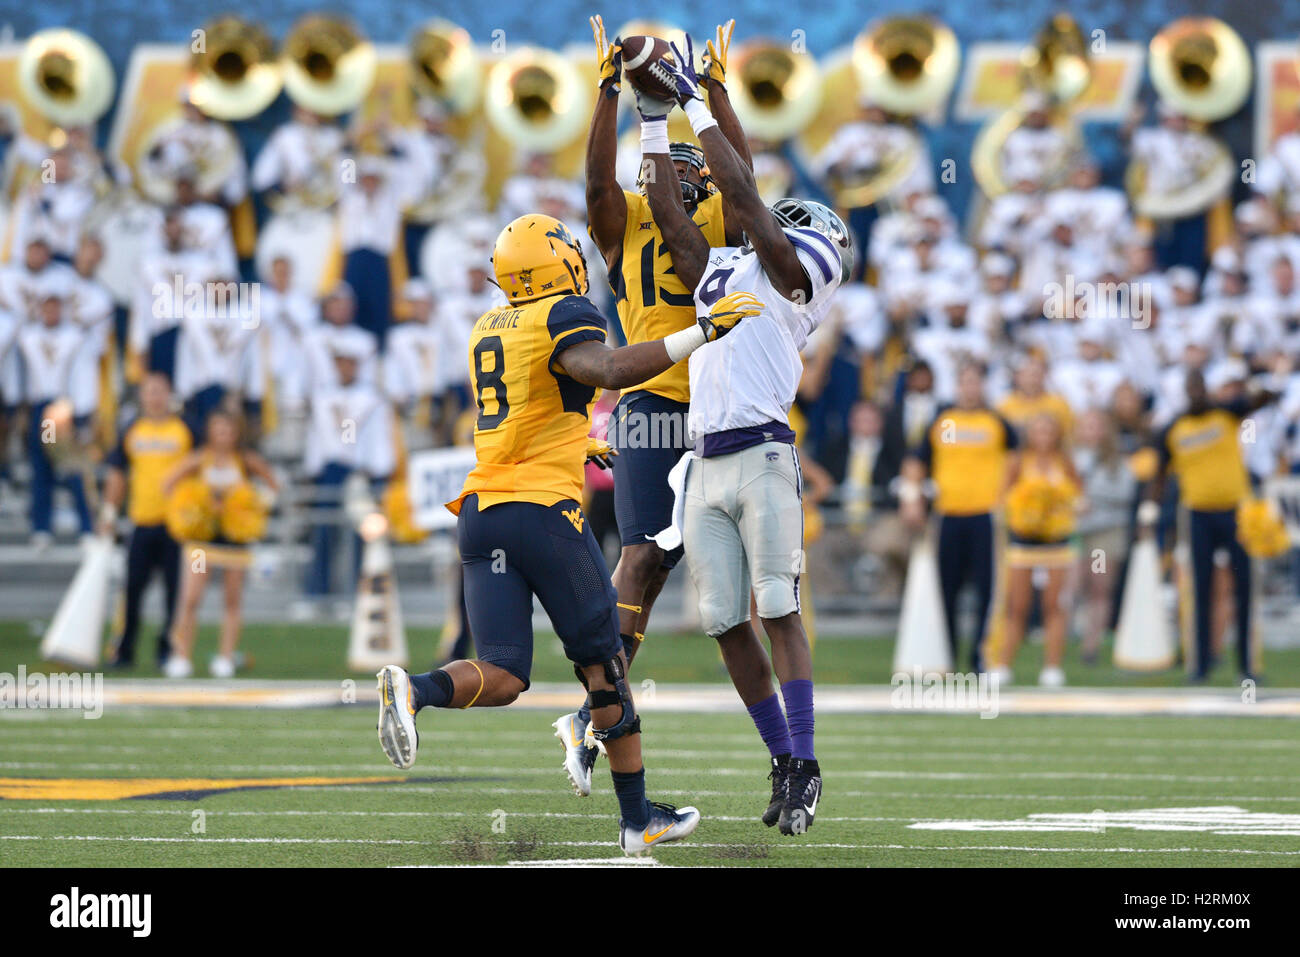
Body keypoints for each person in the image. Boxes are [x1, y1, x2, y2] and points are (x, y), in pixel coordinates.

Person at [374, 212, 756, 854]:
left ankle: (414, 690)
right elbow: (605, 370)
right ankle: (637, 821)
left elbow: (528, 408)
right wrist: (701, 332)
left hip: (481, 512)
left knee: (501, 674)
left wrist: (580, 443)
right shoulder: (564, 314)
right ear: (556, 262)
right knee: (605, 668)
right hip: (543, 515)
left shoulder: (486, 325)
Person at [637, 35, 853, 835]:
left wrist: (695, 97)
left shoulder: (793, 275)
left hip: (763, 452)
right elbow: (667, 211)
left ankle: (807, 761)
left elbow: (741, 189)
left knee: (777, 607)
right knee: (725, 621)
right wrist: (653, 118)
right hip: (706, 459)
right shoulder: (731, 268)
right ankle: (782, 759)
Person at [551, 16, 753, 792]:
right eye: (682, 164)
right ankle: (595, 707)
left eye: (698, 166)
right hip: (652, 406)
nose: (695, 175)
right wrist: (609, 91)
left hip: (721, 410)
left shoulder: (717, 220)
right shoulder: (623, 221)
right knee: (640, 554)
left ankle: (599, 708)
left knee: (672, 565)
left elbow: (747, 179)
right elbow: (597, 184)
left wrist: (714, 93)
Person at [1148, 369, 1279, 682]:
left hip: (1236, 510)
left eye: (1199, 386)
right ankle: (1200, 665)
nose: (1196, 392)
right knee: (1199, 589)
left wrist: (1254, 381)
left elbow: (1263, 399)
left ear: (1207, 389)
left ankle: (1248, 667)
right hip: (1197, 513)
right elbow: (1159, 473)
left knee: (1245, 587)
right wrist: (1151, 510)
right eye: (1190, 387)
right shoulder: (1173, 428)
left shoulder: (1226, 413)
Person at [901, 361, 1019, 673]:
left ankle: (982, 658)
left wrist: (1004, 500)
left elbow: (1015, 462)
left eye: (975, 381)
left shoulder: (997, 423)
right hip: (948, 514)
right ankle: (946, 655)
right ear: (957, 386)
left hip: (985, 516)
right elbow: (916, 462)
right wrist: (912, 499)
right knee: (946, 589)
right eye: (964, 381)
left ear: (982, 385)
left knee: (987, 590)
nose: (969, 388)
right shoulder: (942, 421)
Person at [162, 410, 278, 678]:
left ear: (236, 433)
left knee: (232, 599)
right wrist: (189, 508)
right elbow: (168, 483)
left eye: (228, 429)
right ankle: (181, 656)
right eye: (218, 429)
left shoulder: (246, 461)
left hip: (234, 544)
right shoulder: (200, 459)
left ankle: (225, 658)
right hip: (203, 542)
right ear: (210, 432)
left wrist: (252, 504)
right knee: (191, 599)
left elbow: (272, 487)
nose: (223, 435)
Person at [101, 373, 193, 669]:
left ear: (169, 394)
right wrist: (109, 513)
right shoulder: (132, 429)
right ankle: (125, 650)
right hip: (141, 521)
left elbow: (202, 462)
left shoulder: (185, 429)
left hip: (176, 526)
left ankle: (167, 650)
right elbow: (117, 473)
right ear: (141, 396)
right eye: (149, 391)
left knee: (173, 593)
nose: (154, 397)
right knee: (132, 590)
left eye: (159, 391)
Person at [992, 413, 1082, 686]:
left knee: (1054, 606)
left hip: (1056, 543)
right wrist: (1024, 512)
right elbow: (1003, 498)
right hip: (1023, 542)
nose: (1043, 437)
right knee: (1016, 606)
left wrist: (1060, 508)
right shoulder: (1017, 462)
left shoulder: (1064, 463)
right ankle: (1003, 666)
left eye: (1048, 431)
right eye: (1037, 430)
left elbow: (1078, 496)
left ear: (1057, 435)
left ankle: (1052, 667)